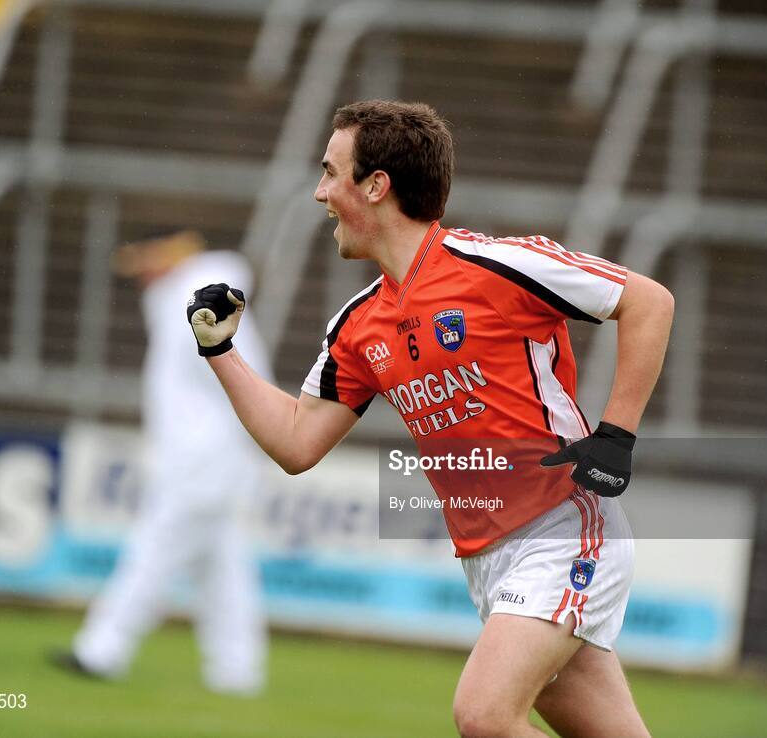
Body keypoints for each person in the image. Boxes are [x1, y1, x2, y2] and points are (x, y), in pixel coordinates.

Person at [188, 101, 673, 736]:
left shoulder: (496, 265)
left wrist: (616, 435)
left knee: (484, 718)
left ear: (376, 185)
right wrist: (220, 352)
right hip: (488, 561)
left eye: (331, 173)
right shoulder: (360, 325)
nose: (320, 193)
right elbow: (297, 441)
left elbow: (648, 302)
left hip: (564, 526)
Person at [54, 229, 271, 696]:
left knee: (153, 552)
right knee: (222, 568)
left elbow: (251, 384)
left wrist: (240, 454)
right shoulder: (184, 306)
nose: (142, 278)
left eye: (147, 264)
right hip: (207, 460)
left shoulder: (202, 309)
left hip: (204, 463)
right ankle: (237, 671)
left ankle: (102, 649)